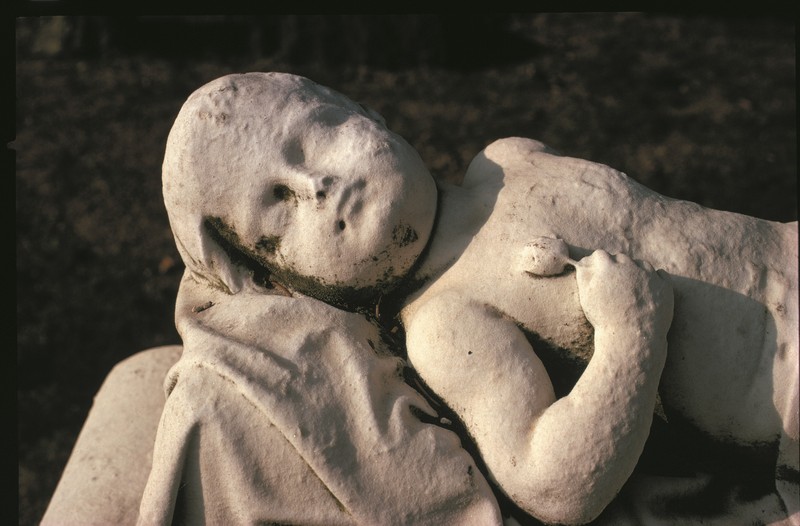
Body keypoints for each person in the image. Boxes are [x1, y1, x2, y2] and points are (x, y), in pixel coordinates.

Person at [160, 72, 798, 525]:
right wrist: (631, 339)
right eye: (279, 214)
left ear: (363, 112)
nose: (315, 184)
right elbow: (552, 483)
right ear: (287, 281)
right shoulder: (447, 320)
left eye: (315, 137)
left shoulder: (508, 158)